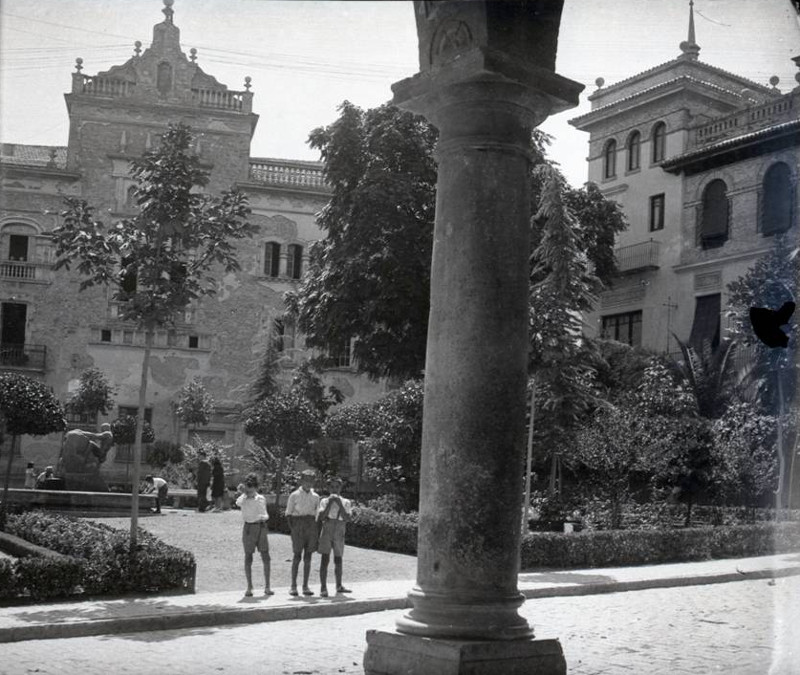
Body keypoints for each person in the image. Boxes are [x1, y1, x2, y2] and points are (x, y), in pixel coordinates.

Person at [235, 473, 273, 598]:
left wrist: (262, 518)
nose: (250, 489)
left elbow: (265, 514)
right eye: (248, 486)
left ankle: (267, 586)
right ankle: (249, 586)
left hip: (260, 527)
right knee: (248, 556)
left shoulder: (261, 498)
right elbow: (237, 502)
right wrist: (243, 493)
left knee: (265, 556)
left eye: (252, 486)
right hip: (249, 528)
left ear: (256, 487)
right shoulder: (243, 499)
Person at [285, 469, 320, 596]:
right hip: (298, 525)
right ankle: (293, 586)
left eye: (311, 480)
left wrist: (315, 531)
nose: (308, 483)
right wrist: (294, 530)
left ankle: (305, 585)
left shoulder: (316, 497)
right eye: (306, 480)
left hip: (311, 525)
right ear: (301, 481)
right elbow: (288, 514)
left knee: (308, 557)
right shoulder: (294, 495)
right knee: (297, 556)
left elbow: (317, 514)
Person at [316, 477, 353, 598]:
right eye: (331, 487)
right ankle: (323, 587)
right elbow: (321, 517)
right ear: (328, 488)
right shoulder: (324, 501)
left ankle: (339, 585)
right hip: (327, 528)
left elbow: (347, 518)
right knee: (325, 558)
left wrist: (338, 503)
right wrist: (331, 502)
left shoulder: (346, 502)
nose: (334, 489)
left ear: (341, 488)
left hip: (340, 529)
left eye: (337, 487)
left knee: (338, 558)